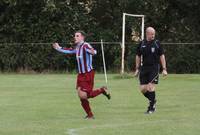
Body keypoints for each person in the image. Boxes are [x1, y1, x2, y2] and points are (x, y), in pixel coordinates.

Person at [53, 30, 111, 119]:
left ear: (82, 37)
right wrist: (58, 48)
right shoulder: (77, 47)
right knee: (82, 95)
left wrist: (93, 52)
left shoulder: (85, 45)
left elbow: (93, 51)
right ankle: (90, 114)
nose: (75, 37)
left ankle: (101, 91)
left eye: (77, 36)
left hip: (88, 74)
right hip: (80, 75)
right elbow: (69, 51)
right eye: (75, 36)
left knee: (84, 95)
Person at [134, 27, 167, 114]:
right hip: (144, 68)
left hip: (154, 68)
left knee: (150, 87)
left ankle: (151, 108)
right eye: (152, 34)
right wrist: (137, 68)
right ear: (147, 34)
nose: (153, 36)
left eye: (154, 34)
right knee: (143, 89)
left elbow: (162, 56)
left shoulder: (157, 43)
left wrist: (164, 69)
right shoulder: (142, 43)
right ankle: (153, 100)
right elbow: (138, 56)